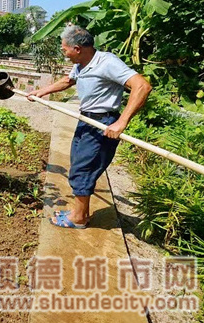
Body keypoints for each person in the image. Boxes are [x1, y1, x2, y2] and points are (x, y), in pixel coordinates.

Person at [27, 24, 152, 229]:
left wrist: (121, 123)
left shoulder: (107, 62)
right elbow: (68, 80)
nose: (64, 53)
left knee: (83, 168)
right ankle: (80, 212)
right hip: (86, 120)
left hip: (102, 123)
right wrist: (41, 92)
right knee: (79, 164)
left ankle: (79, 218)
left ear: (77, 49)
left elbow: (142, 86)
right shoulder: (82, 63)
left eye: (65, 49)